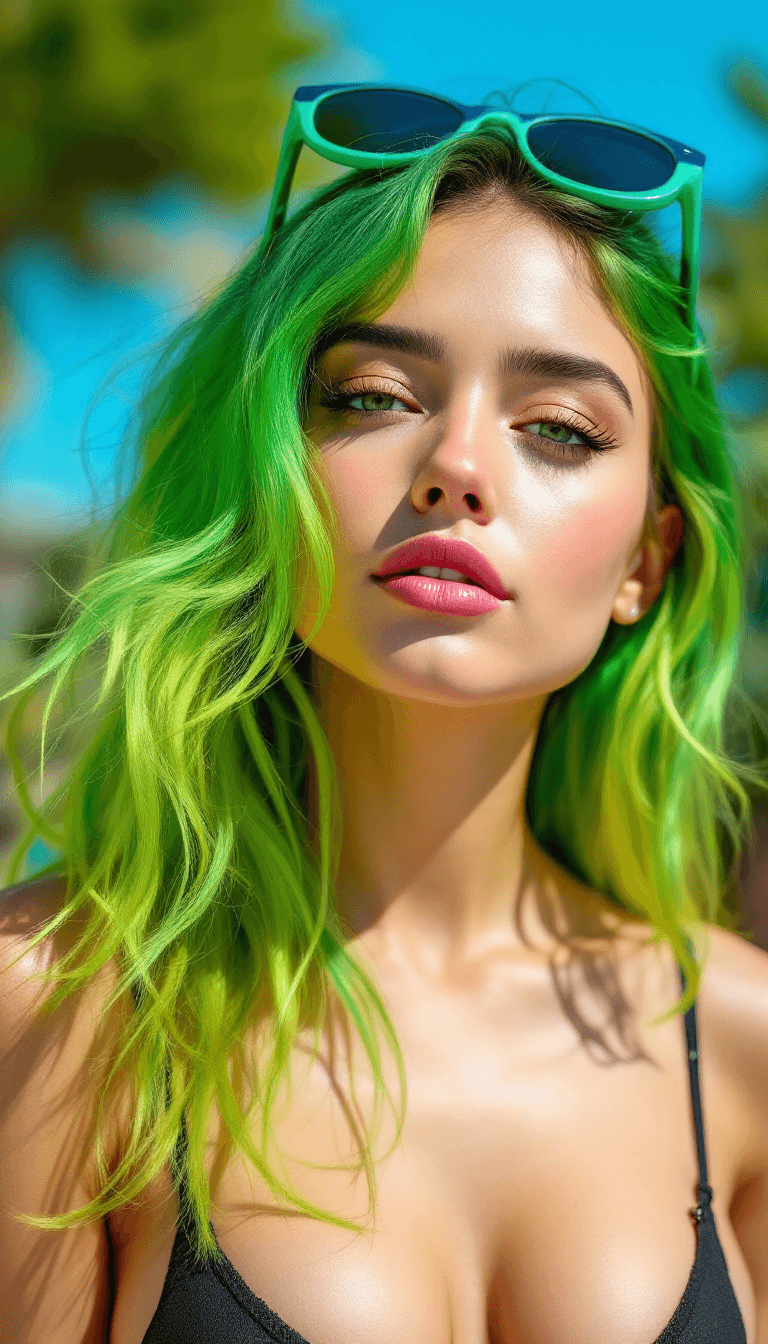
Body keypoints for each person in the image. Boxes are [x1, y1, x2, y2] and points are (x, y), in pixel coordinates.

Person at [1, 83, 767, 1344]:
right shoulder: (65, 1004)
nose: (458, 464)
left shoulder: (738, 1043)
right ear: (266, 476)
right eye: (371, 397)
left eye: (561, 429)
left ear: (649, 561)